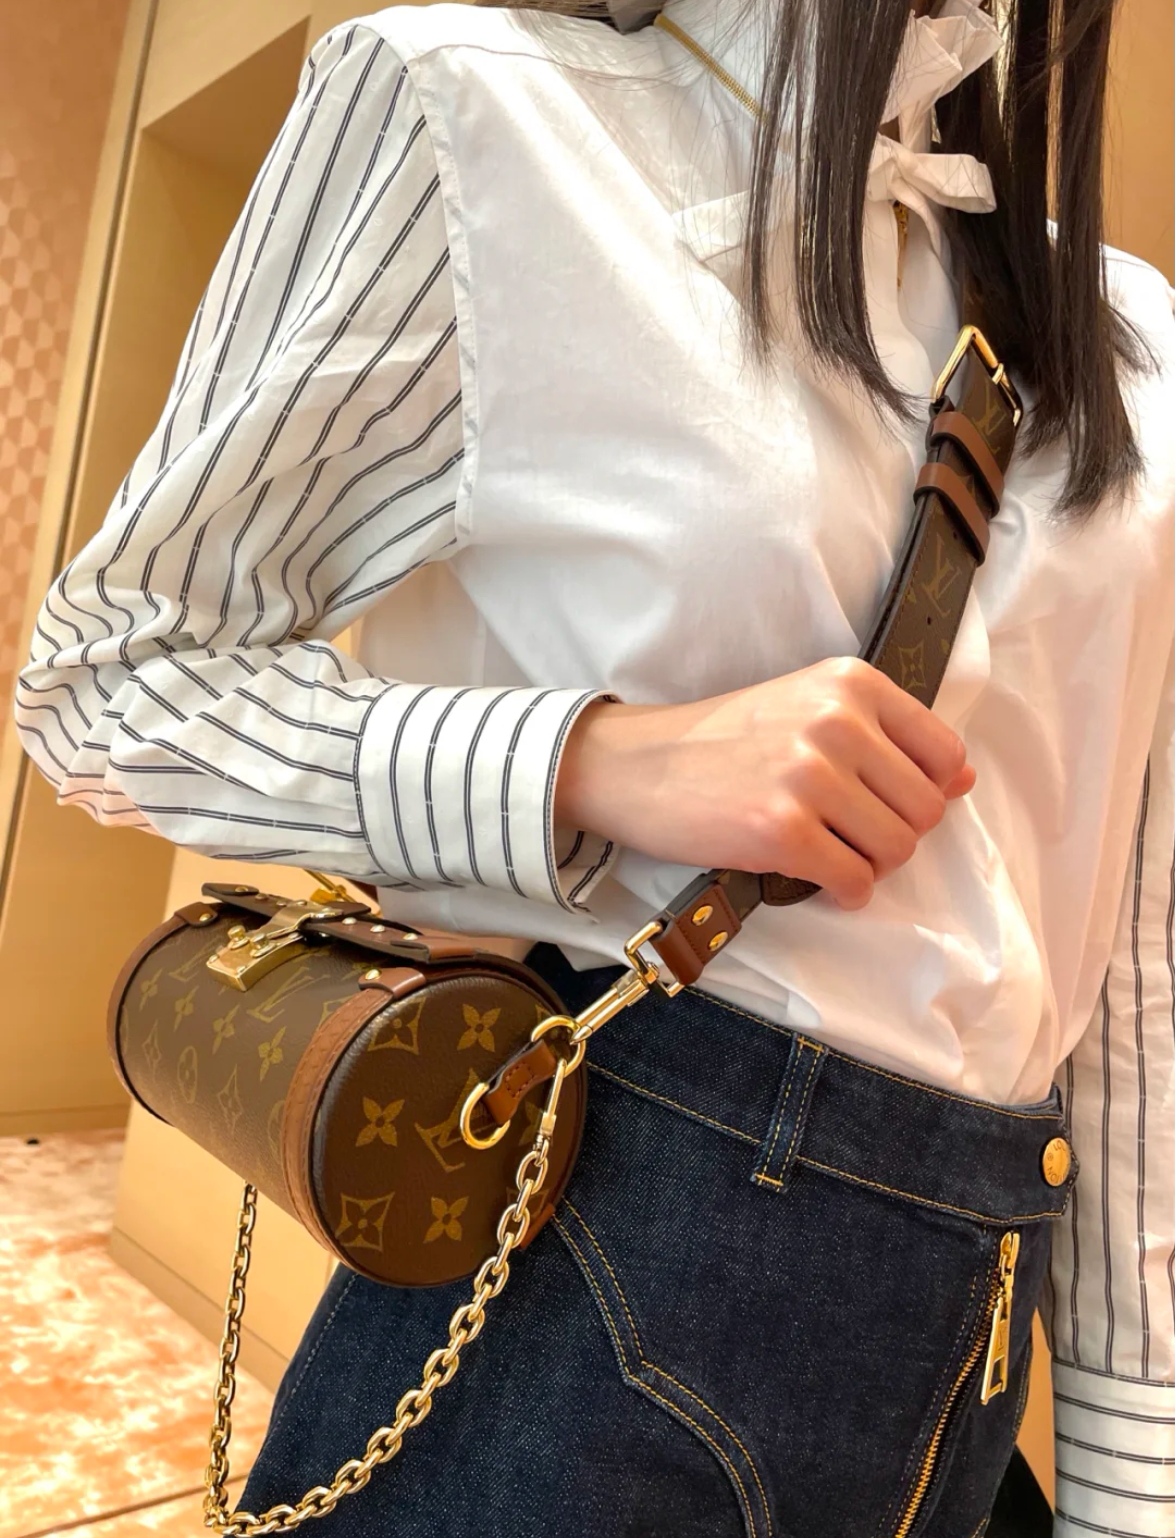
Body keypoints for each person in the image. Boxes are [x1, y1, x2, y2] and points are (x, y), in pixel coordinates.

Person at [14, 0, 1173, 1532]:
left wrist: (1131, 1475)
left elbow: (1130, 962)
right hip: (589, 1266)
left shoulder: (1132, 331)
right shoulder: (476, 114)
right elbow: (106, 679)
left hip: (971, 1336)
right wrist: (593, 761)